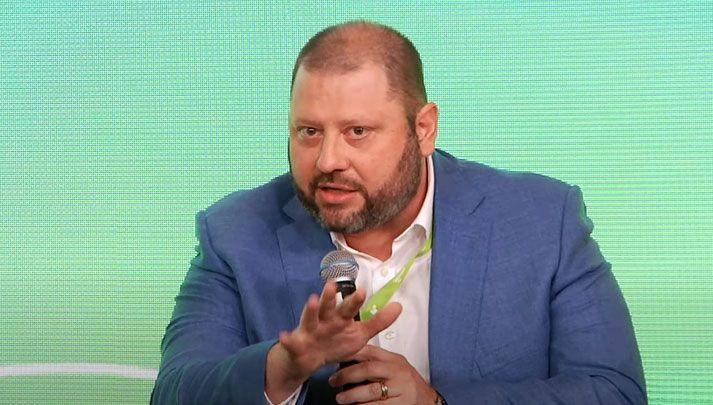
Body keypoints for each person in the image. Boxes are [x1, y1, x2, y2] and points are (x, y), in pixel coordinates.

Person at [151, 21, 646, 404]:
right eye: (309, 132)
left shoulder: (542, 222)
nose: (327, 161)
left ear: (423, 129)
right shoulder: (234, 233)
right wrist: (282, 367)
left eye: (357, 132)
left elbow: (614, 393)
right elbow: (173, 394)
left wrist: (436, 402)